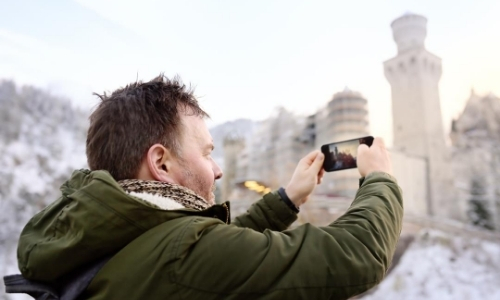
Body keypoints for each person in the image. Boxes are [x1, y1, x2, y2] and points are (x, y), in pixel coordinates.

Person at [8, 75, 403, 300]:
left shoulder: (105, 231)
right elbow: (359, 255)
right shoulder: (184, 256)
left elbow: (210, 252)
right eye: (206, 152)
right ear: (161, 162)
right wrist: (379, 177)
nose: (216, 170)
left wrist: (287, 198)